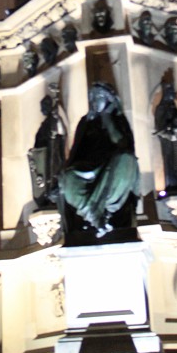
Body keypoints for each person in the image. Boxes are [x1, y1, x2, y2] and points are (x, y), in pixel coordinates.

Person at [57, 82, 140, 238]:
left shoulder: (118, 120)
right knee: (68, 179)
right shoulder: (85, 123)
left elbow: (122, 143)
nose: (95, 101)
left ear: (109, 100)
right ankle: (96, 217)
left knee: (126, 160)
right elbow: (76, 151)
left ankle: (97, 217)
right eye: (92, 98)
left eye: (99, 97)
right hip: (86, 169)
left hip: (111, 166)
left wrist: (107, 118)